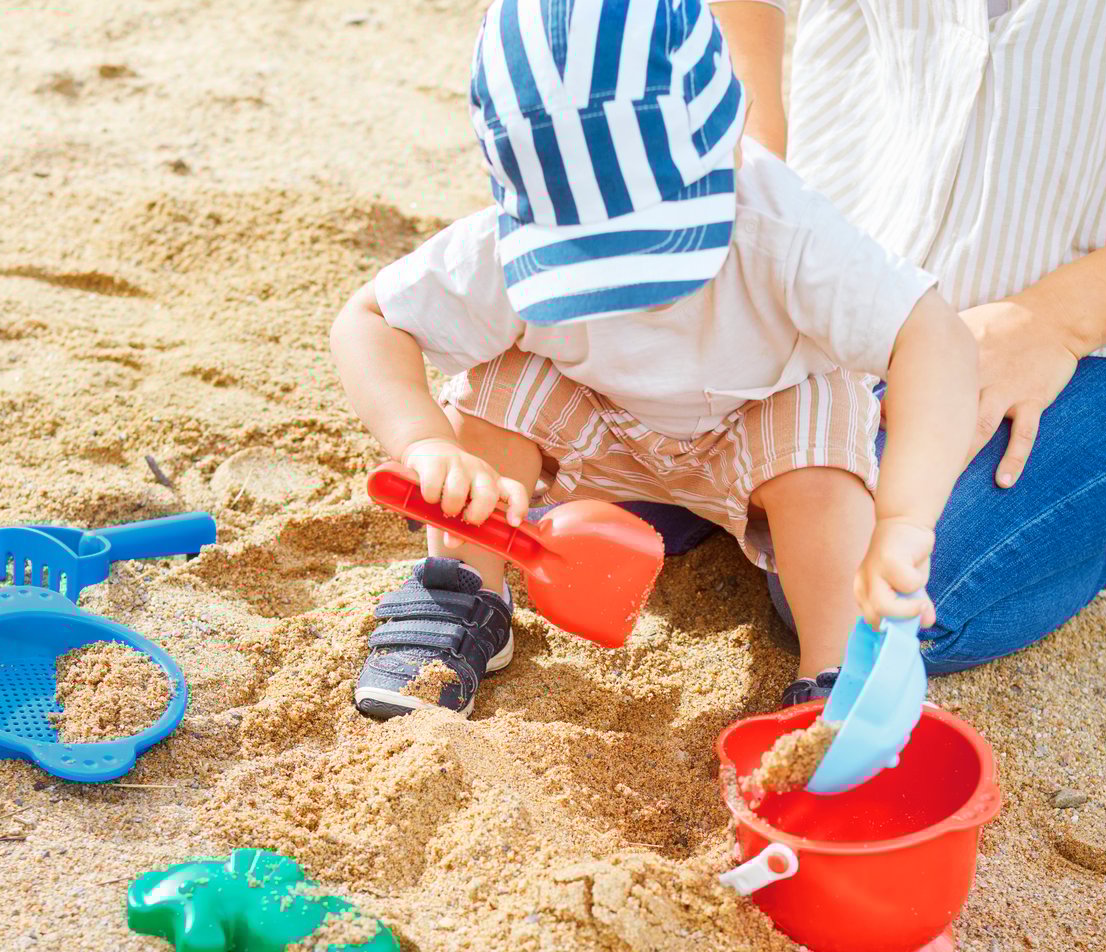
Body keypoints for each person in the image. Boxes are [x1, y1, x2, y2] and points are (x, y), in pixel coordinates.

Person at [332, 0, 977, 720]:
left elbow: (935, 338)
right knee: (494, 389)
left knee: (822, 446)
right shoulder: (504, 243)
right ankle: (465, 589)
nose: (635, 293)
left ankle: (834, 670)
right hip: (601, 423)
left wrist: (906, 519)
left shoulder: (789, 233)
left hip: (755, 419)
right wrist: (422, 443)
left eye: (660, 242)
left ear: (734, 133)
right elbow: (371, 320)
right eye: (589, 253)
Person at [700, 0, 1106, 670]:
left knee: (871, 600)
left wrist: (1055, 321)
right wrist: (755, 173)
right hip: (857, 245)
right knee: (640, 493)